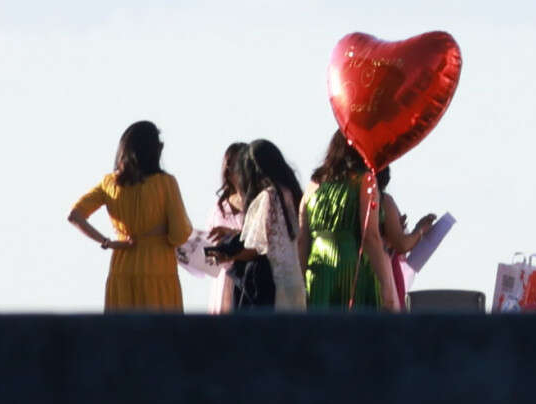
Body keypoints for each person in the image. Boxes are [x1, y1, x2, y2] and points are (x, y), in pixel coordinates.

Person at [66, 121, 191, 313]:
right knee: (161, 337)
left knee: (123, 337)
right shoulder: (166, 183)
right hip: (158, 267)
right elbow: (179, 234)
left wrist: (107, 242)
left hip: (121, 267)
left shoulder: (110, 183)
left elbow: (75, 215)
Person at [197, 139, 305, 313]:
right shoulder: (291, 193)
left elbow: (256, 247)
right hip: (294, 281)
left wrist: (228, 255)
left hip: (274, 285)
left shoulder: (267, 197)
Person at [301, 130, 403, 311]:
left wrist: (301, 280)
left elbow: (302, 240)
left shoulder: (313, 185)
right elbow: (371, 236)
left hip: (318, 268)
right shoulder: (365, 180)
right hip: (352, 264)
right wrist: (386, 285)